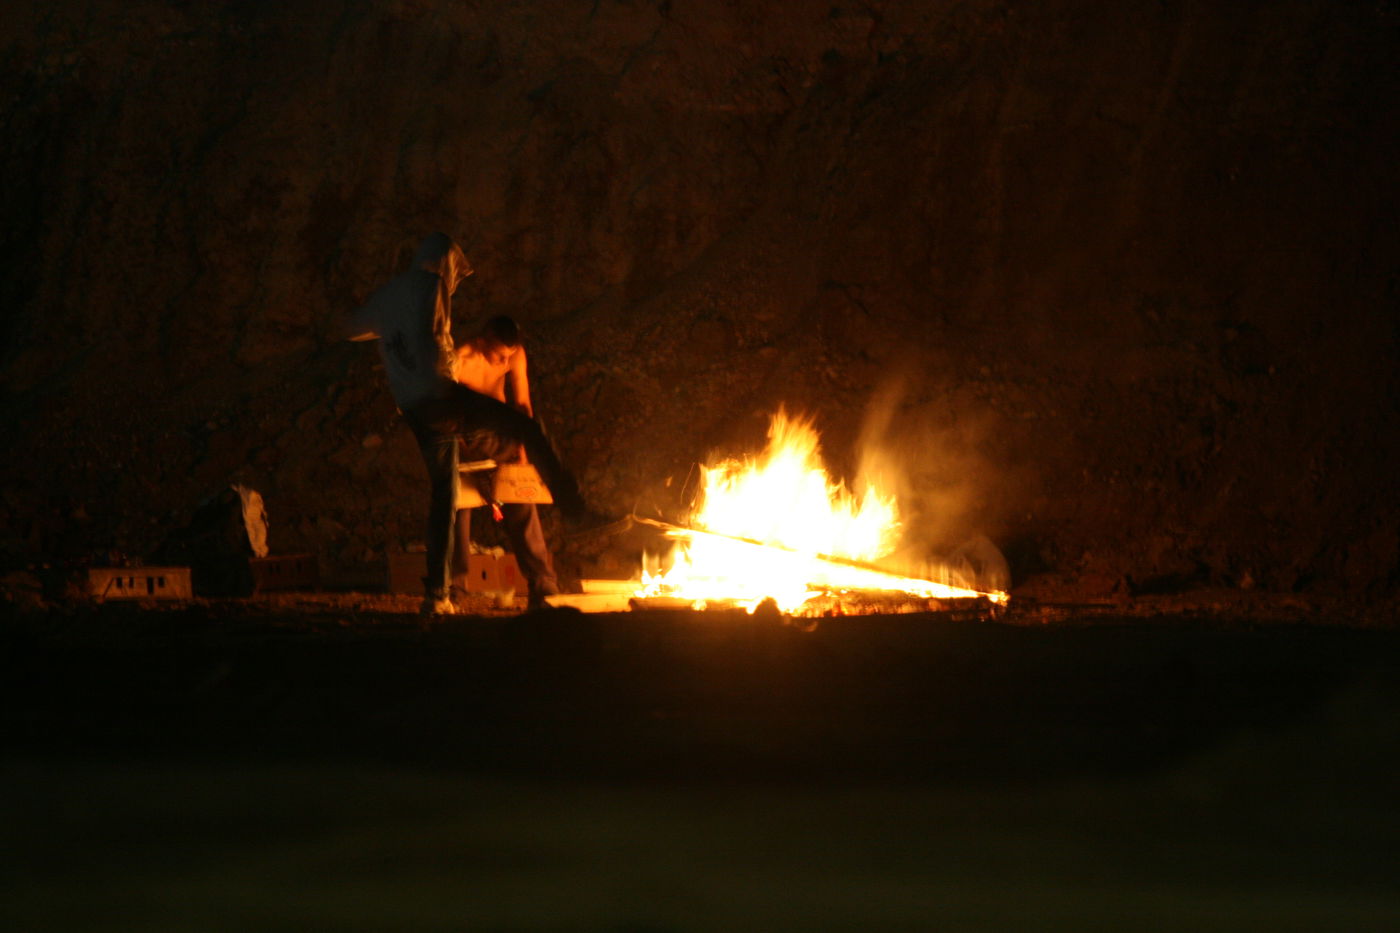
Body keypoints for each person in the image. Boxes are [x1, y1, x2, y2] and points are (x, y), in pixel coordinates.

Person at [343, 233, 593, 615]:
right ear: (446, 263)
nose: (454, 278)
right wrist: (439, 364)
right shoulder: (433, 286)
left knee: (447, 496)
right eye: (454, 269)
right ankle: (577, 510)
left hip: (414, 409)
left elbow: (350, 328)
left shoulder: (388, 295)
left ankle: (439, 595)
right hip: (445, 400)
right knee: (524, 431)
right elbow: (434, 334)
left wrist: (395, 338)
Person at [451, 314, 559, 608]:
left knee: (522, 503)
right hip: (468, 438)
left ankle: (542, 585)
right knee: (458, 511)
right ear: (482, 341)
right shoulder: (461, 358)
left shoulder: (514, 355)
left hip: (501, 439)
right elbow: (446, 410)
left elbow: (522, 403)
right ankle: (454, 590)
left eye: (508, 357)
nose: (503, 363)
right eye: (499, 356)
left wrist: (525, 449)